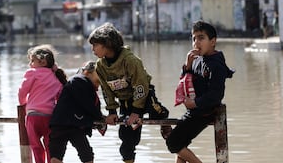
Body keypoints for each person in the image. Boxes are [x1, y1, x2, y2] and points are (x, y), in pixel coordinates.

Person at [87, 22, 170, 163]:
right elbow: (107, 91)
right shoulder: (100, 66)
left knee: (156, 112)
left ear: (107, 44)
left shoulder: (130, 60)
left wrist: (137, 111)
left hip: (144, 95)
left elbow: (141, 85)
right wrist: (112, 112)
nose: (92, 49)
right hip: (125, 102)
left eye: (95, 45)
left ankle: (164, 117)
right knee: (126, 143)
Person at [165, 20, 234, 163]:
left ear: (213, 41)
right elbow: (184, 82)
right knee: (180, 146)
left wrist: (195, 103)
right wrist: (187, 66)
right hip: (195, 110)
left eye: (201, 38)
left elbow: (216, 95)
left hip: (204, 112)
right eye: (194, 38)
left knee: (173, 142)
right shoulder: (196, 59)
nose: (196, 42)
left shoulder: (217, 65)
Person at [18, 44, 68, 163]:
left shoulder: (33, 73)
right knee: (49, 145)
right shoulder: (56, 78)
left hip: (33, 116)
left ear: (42, 62)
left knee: (35, 146)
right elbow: (60, 98)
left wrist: (23, 103)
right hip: (50, 117)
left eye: (32, 61)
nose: (30, 64)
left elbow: (22, 91)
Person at [49, 61, 104, 163]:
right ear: (87, 73)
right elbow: (87, 104)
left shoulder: (77, 82)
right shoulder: (79, 80)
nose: (98, 86)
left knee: (56, 155)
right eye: (97, 81)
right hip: (73, 124)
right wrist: (100, 117)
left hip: (60, 123)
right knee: (86, 155)